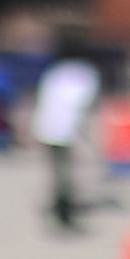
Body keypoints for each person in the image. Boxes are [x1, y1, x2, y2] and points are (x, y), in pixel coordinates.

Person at [29, 43, 103, 234]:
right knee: (65, 172)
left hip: (47, 126)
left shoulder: (55, 72)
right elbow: (83, 102)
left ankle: (61, 206)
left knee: (57, 170)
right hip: (66, 128)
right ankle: (64, 214)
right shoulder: (84, 74)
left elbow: (44, 98)